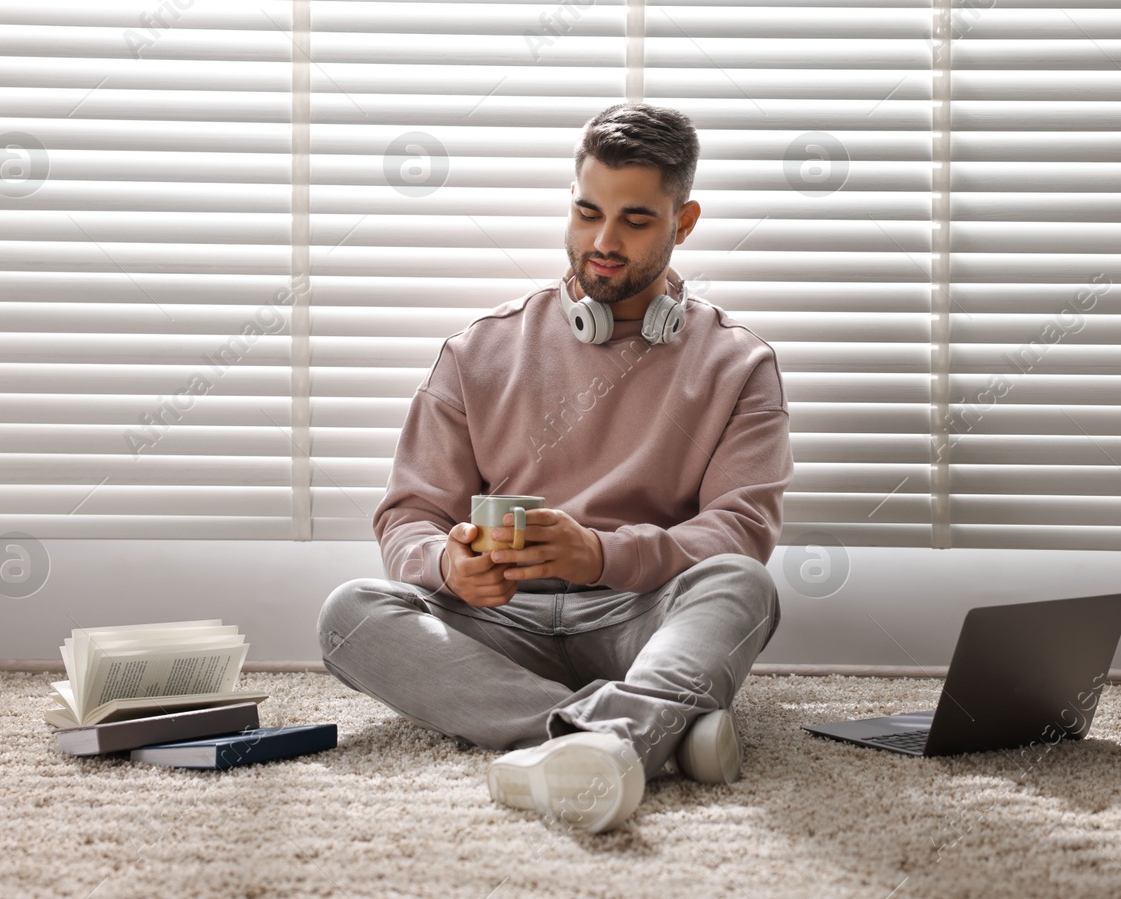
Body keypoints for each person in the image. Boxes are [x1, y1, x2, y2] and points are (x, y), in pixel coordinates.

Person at [317, 102, 793, 833]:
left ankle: (587, 734)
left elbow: (740, 530)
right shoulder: (478, 350)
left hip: (641, 613)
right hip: (501, 619)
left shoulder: (739, 363)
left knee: (744, 586)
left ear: (684, 222)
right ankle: (637, 732)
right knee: (349, 615)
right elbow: (408, 513)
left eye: (635, 220)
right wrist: (447, 565)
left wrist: (601, 552)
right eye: (586, 211)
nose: (602, 241)